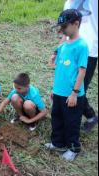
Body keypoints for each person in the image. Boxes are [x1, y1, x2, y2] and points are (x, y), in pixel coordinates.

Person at [45, 9, 88, 161]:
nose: (61, 30)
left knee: (71, 122)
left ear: (76, 24)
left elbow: (82, 71)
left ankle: (73, 147)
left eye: (64, 27)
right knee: (56, 118)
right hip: (59, 91)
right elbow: (60, 70)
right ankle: (58, 143)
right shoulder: (64, 45)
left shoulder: (81, 46)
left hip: (72, 94)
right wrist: (54, 89)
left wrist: (74, 93)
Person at [49, 0, 98, 132]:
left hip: (89, 50)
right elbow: (65, 31)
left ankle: (85, 119)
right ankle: (75, 118)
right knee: (67, 85)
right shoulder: (69, 3)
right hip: (68, 51)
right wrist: (57, 51)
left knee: (79, 88)